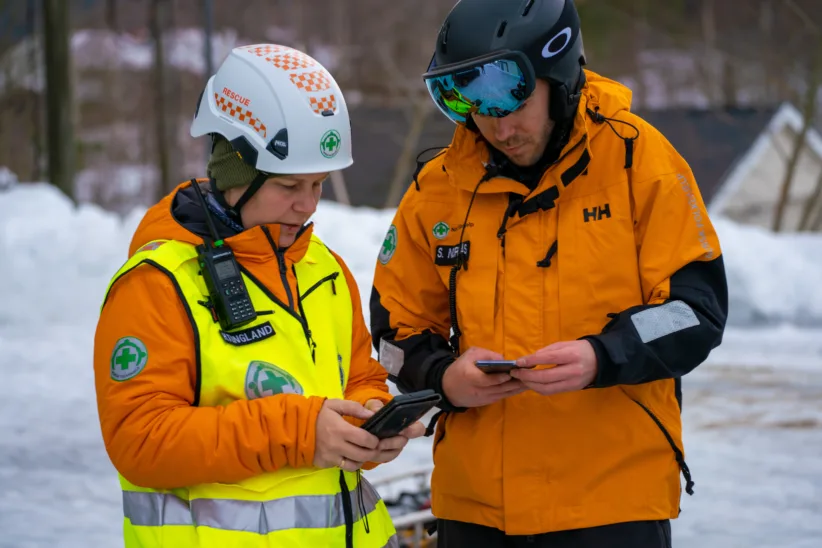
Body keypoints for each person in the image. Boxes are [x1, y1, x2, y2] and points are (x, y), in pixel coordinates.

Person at [370, 1, 728, 546]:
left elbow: (693, 311)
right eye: (477, 107)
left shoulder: (639, 162)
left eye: (513, 102)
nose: (500, 127)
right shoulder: (436, 192)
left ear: (558, 80)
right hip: (476, 511)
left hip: (613, 508)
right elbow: (394, 332)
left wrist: (603, 355)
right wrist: (443, 376)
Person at [93, 43, 420, 548]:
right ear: (235, 173)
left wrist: (369, 424)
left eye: (318, 185)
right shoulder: (159, 282)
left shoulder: (324, 270)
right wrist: (302, 432)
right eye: (290, 185)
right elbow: (140, 440)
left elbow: (358, 377)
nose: (306, 205)